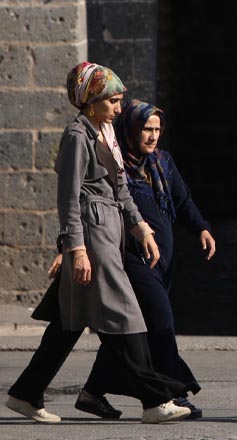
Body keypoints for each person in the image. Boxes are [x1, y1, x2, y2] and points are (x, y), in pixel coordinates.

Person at [4, 62, 191, 424]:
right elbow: (69, 197)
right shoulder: (77, 135)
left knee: (67, 321)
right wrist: (75, 248)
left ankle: (25, 393)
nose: (118, 109)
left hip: (111, 229)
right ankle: (155, 400)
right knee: (125, 312)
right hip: (93, 234)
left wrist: (141, 228)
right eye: (112, 101)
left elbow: (120, 187)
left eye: (119, 101)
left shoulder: (105, 130)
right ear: (91, 102)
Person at [71, 99, 216, 419]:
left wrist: (202, 229)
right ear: (131, 130)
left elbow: (183, 200)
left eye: (157, 130)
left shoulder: (163, 162)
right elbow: (84, 205)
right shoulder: (115, 164)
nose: (152, 136)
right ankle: (175, 393)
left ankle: (93, 392)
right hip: (130, 259)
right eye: (146, 129)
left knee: (135, 329)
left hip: (162, 261)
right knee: (161, 322)